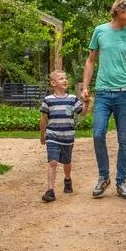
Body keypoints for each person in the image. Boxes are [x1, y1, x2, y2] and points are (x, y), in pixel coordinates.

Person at [81, 0, 126, 199]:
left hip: (124, 94)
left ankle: (121, 182)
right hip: (103, 93)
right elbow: (90, 61)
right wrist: (85, 87)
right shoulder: (100, 31)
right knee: (97, 133)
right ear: (119, 10)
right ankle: (104, 177)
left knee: (124, 140)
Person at [39, 70, 88, 202]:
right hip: (52, 136)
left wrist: (87, 103)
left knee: (67, 162)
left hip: (68, 137)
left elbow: (82, 113)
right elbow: (44, 119)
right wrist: (42, 135)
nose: (65, 80)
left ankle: (67, 179)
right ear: (53, 83)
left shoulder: (72, 99)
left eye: (65, 78)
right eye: (61, 78)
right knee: (53, 162)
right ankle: (50, 191)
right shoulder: (48, 100)